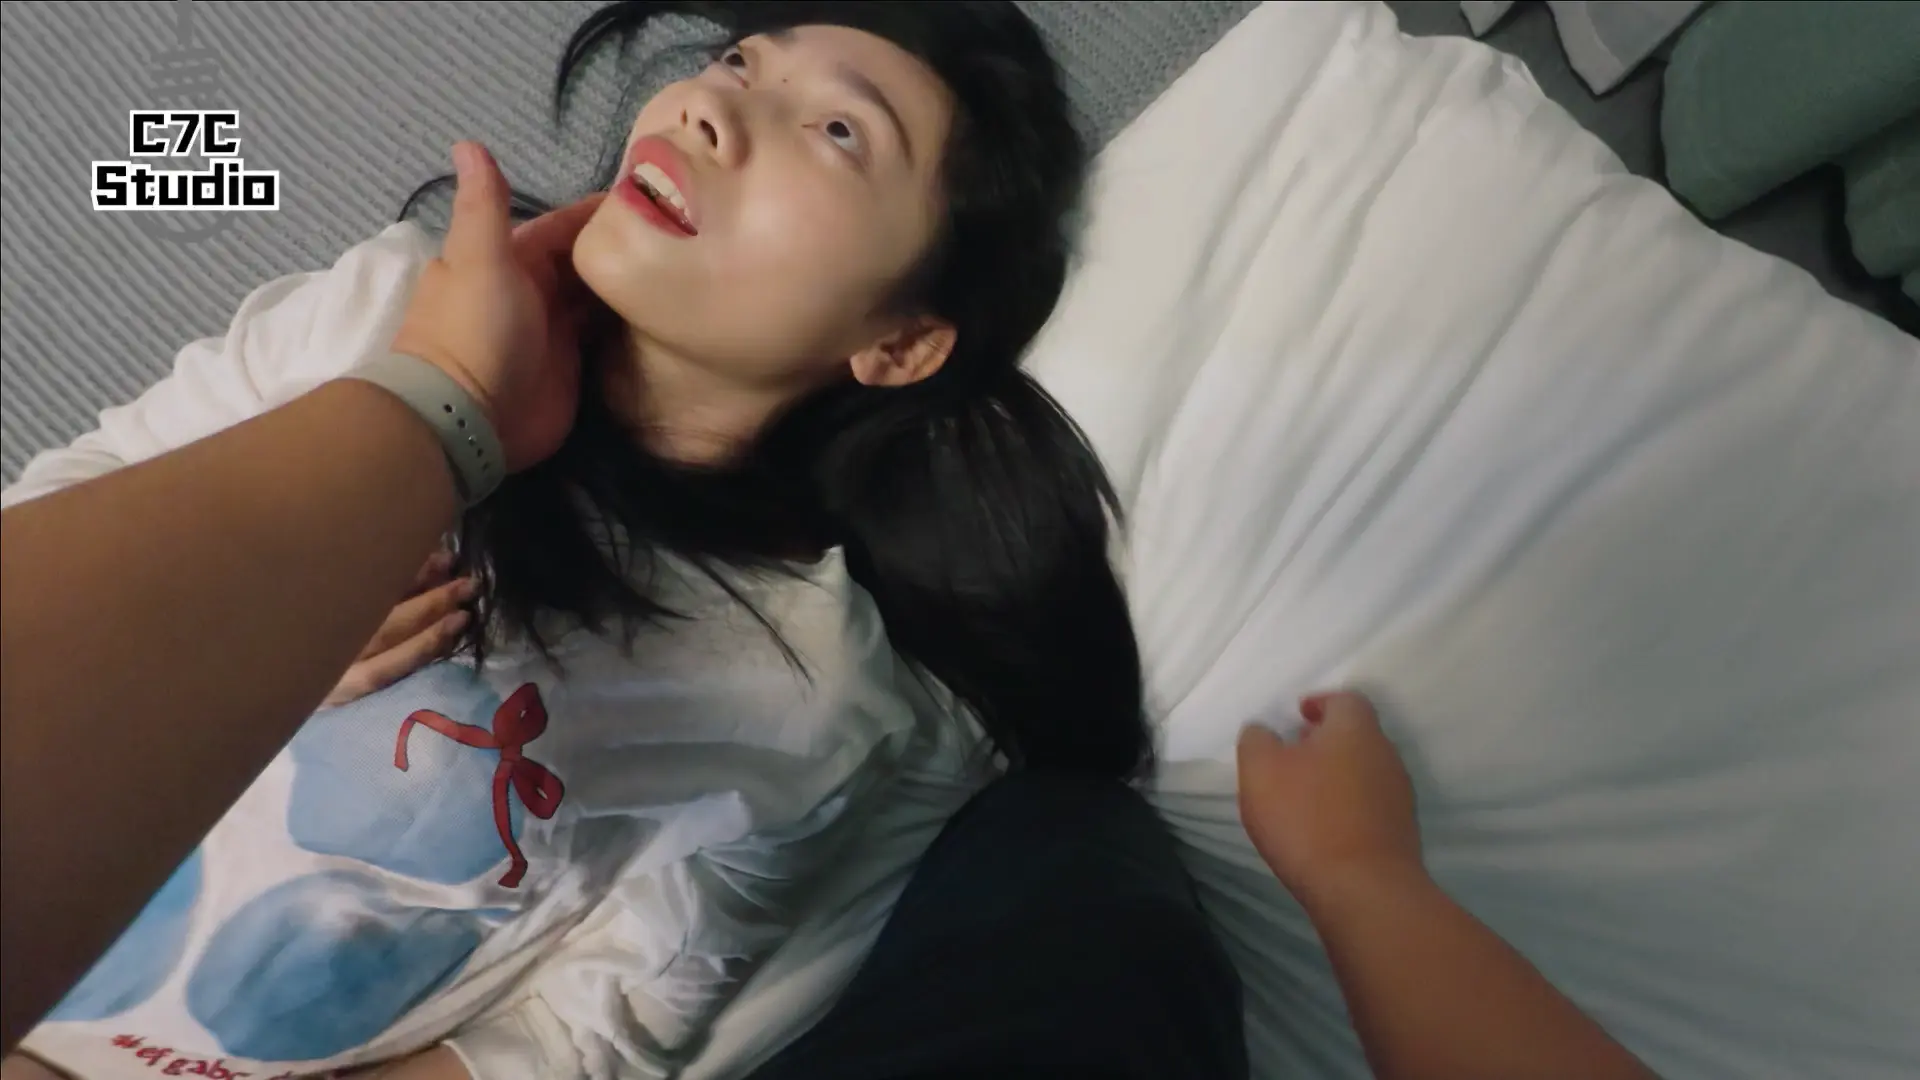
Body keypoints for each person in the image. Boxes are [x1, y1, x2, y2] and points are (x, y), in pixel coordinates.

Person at [1, 2, 1151, 1076]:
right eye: (741, 61)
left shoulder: (807, 698)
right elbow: (69, 500)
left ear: (900, 342)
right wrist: (258, 614)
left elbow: (563, 1044)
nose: (709, 104)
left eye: (839, 130)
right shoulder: (390, 313)